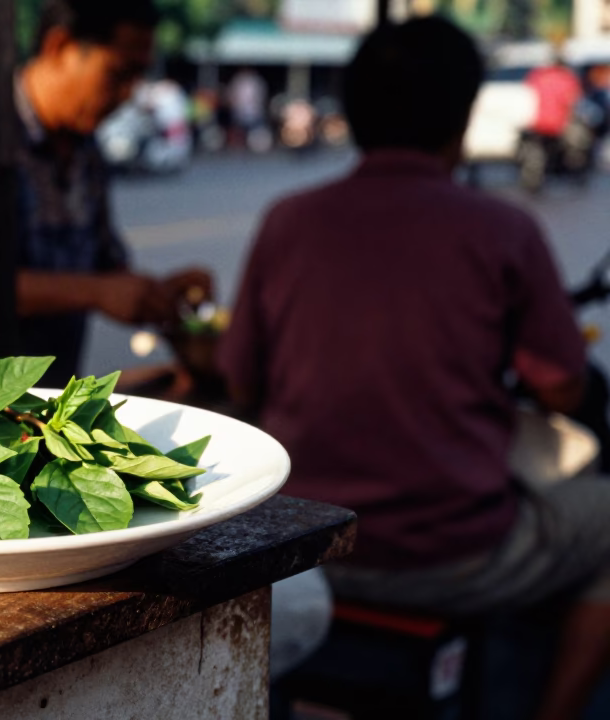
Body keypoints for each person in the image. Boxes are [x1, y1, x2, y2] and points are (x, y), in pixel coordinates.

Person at [220, 17, 610, 719]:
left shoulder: (289, 221)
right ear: (461, 119)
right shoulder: (501, 229)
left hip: (304, 544)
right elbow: (563, 386)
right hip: (450, 555)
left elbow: (239, 379)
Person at [0, 0, 209, 389]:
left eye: (137, 79)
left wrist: (162, 298)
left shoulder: (84, 149)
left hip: (42, 405)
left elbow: (108, 270)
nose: (127, 95)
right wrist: (96, 293)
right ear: (59, 47)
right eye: (117, 75)